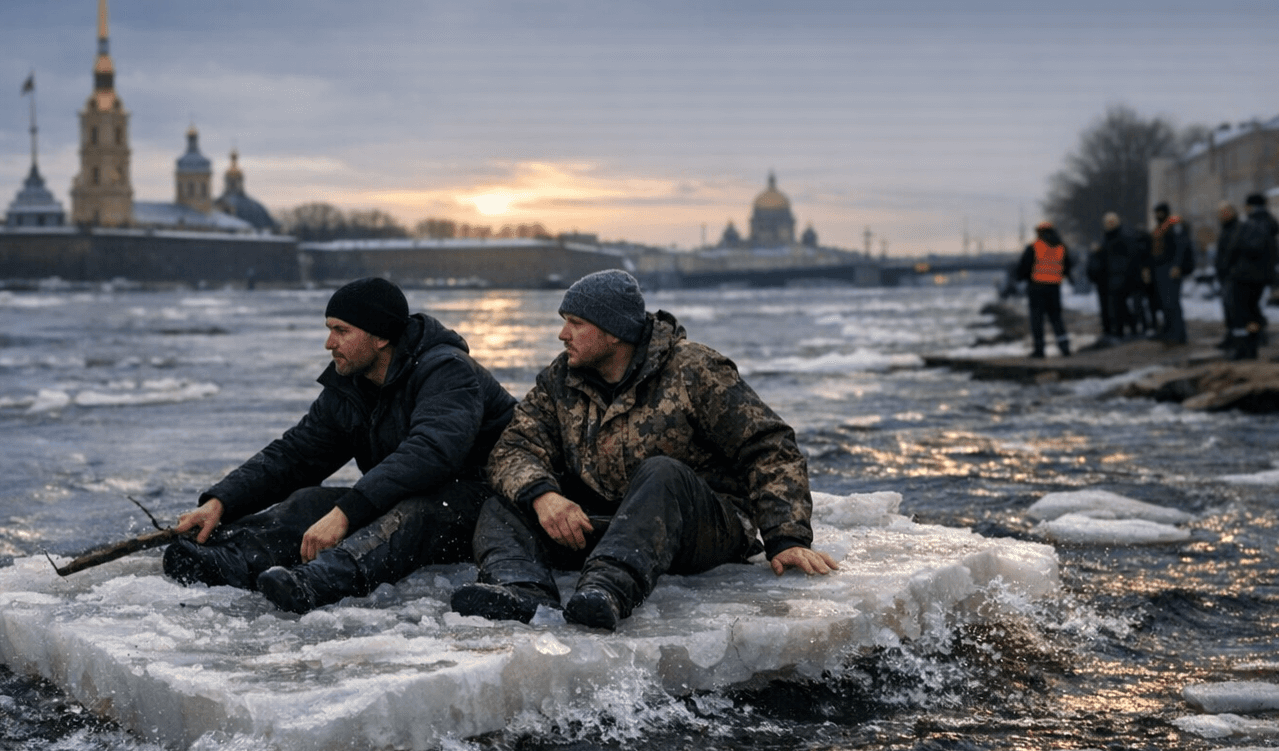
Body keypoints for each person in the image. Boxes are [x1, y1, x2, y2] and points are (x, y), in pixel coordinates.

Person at [450, 269, 837, 630]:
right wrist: (544, 496)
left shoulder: (694, 370)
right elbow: (513, 447)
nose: (562, 334)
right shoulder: (561, 379)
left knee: (660, 472)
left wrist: (787, 539)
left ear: (614, 332)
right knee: (502, 502)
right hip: (614, 522)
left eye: (576, 323)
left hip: (701, 526)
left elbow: (768, 445)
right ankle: (522, 592)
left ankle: (606, 591)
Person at [164, 277, 518, 613]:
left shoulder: (447, 370)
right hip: (407, 494)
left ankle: (318, 582)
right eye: (329, 330)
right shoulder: (352, 383)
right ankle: (234, 558)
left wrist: (347, 512)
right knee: (312, 502)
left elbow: (431, 453)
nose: (329, 343)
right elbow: (297, 454)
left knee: (414, 510)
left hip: (484, 506)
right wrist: (221, 501)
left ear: (380, 337)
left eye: (341, 331)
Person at [1227, 192, 1278, 359]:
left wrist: (1231, 264)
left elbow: (1237, 248)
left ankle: (1246, 350)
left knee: (1243, 313)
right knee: (1252, 310)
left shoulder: (1249, 224)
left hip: (1244, 275)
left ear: (1250, 206)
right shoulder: (1270, 223)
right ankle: (1251, 346)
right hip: (1262, 276)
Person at [1015, 221, 1073, 358]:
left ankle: (1039, 350)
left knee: (1037, 319)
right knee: (1056, 318)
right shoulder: (1061, 247)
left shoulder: (1034, 247)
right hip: (1054, 288)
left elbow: (1023, 267)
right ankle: (1064, 347)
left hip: (1037, 288)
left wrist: (1022, 278)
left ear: (1039, 233)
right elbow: (1068, 266)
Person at [1145, 202, 1195, 345]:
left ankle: (1178, 334)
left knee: (1172, 301)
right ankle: (1168, 331)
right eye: (1156, 212)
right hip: (1159, 268)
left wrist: (1176, 265)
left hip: (1170, 267)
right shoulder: (1159, 228)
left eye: (1159, 212)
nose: (1157, 215)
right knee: (1164, 302)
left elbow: (1181, 246)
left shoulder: (1174, 226)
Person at [1087, 212, 1134, 342]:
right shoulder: (1106, 237)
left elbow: (1125, 257)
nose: (1109, 224)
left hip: (1118, 276)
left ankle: (1120, 332)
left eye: (1112, 222)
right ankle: (1112, 331)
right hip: (1107, 277)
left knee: (1118, 305)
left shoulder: (1122, 236)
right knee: (1109, 306)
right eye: (1107, 222)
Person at [1213, 202, 1242, 352]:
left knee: (1235, 309)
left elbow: (1233, 252)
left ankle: (1239, 342)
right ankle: (1231, 337)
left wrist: (1230, 269)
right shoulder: (1226, 229)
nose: (1221, 215)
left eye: (1223, 212)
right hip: (1226, 275)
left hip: (1233, 275)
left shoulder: (1237, 228)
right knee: (1228, 308)